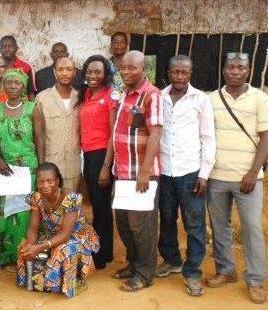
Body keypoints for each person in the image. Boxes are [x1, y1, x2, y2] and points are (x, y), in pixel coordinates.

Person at [206, 52, 268, 304]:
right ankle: (226, 270)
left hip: (248, 178)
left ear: (248, 70)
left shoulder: (260, 99)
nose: (235, 71)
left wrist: (253, 172)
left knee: (252, 228)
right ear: (223, 71)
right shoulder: (211, 99)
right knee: (220, 227)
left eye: (240, 67)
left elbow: (265, 137)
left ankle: (255, 280)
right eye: (230, 67)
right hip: (216, 176)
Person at [156, 55, 216, 296]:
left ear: (191, 74)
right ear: (168, 73)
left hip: (191, 172)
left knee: (194, 224)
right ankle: (172, 260)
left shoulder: (201, 99)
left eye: (185, 73)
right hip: (165, 171)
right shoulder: (159, 97)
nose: (180, 76)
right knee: (167, 219)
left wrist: (204, 173)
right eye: (176, 72)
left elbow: (208, 137)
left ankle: (192, 272)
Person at [112, 50, 163, 292]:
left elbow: (155, 133)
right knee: (123, 222)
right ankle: (133, 264)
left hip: (141, 173)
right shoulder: (125, 94)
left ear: (144, 69)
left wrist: (144, 171)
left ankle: (145, 273)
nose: (126, 72)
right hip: (121, 171)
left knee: (142, 226)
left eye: (132, 68)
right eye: (123, 68)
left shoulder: (151, 95)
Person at [17, 162, 99, 297]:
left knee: (61, 250)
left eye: (50, 181)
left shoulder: (70, 198)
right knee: (24, 247)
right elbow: (33, 228)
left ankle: (67, 284)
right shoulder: (37, 198)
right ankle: (36, 281)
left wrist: (39, 247)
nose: (45, 186)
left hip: (77, 236)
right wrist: (30, 247)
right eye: (40, 182)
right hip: (54, 235)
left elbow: (66, 235)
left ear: (57, 181)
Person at [0, 68, 44, 266]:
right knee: (4, 211)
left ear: (23, 86)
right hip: (4, 170)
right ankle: (4, 256)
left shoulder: (32, 108)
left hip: (26, 169)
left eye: (18, 83)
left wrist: (41, 168)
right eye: (9, 82)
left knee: (23, 212)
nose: (13, 86)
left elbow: (39, 139)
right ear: (3, 85)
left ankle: (22, 254)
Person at [78, 55, 118, 270]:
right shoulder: (85, 94)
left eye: (98, 72)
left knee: (102, 207)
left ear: (105, 74)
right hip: (87, 154)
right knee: (97, 204)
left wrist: (106, 166)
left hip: (102, 154)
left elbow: (113, 131)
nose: (93, 76)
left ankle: (102, 255)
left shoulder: (110, 95)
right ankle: (103, 251)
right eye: (90, 72)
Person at [35, 57, 81, 191]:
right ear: (54, 73)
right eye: (60, 69)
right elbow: (39, 135)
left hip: (73, 165)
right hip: (51, 164)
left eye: (69, 69)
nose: (65, 73)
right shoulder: (42, 99)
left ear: (75, 73)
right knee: (50, 207)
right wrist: (41, 164)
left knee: (71, 205)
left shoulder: (80, 98)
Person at [0, 35, 36, 100]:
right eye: (4, 47)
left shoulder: (26, 66)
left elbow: (30, 92)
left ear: (16, 48)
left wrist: (31, 108)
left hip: (20, 107)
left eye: (10, 46)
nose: (7, 49)